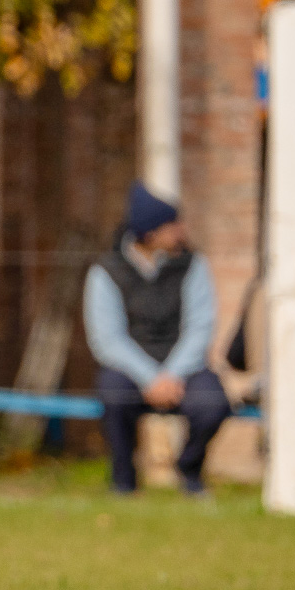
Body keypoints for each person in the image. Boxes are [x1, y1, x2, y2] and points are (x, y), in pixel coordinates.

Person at [83, 182, 230, 494]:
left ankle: (189, 470)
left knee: (213, 402)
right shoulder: (105, 273)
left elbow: (200, 327)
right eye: (172, 226)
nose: (181, 232)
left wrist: (172, 375)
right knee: (112, 391)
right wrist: (151, 378)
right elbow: (107, 340)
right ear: (149, 234)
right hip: (132, 370)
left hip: (183, 368)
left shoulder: (193, 265)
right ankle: (123, 482)